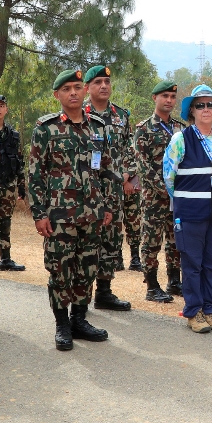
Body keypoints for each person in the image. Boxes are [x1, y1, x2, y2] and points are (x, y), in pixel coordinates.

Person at [29, 69, 114, 351]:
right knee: (60, 270)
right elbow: (35, 175)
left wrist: (109, 206)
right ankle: (62, 324)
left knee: (87, 269)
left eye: (78, 87)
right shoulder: (45, 128)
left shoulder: (99, 126)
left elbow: (107, 170)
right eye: (67, 89)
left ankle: (80, 319)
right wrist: (39, 213)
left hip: (92, 214)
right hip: (59, 216)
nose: (74, 92)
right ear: (57, 95)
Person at [164, 84, 212, 334]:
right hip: (191, 213)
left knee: (211, 262)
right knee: (192, 262)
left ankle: (210, 310)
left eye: (211, 104)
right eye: (200, 105)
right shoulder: (180, 139)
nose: (206, 109)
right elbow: (169, 177)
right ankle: (193, 312)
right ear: (191, 111)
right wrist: (185, 202)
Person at [83, 64, 132, 312]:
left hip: (114, 191)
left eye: (107, 82)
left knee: (111, 241)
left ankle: (104, 291)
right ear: (88, 88)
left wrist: (130, 179)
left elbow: (129, 151)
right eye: (98, 82)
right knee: (87, 241)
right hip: (86, 192)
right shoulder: (78, 115)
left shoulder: (121, 116)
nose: (104, 86)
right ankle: (82, 296)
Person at [133, 80, 184, 302]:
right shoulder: (143, 129)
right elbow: (142, 166)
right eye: (165, 96)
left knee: (176, 241)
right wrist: (165, 189)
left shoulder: (180, 129)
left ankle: (174, 282)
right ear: (155, 98)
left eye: (172, 97)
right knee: (151, 241)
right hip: (154, 197)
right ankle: (152, 286)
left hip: (178, 197)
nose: (169, 100)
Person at [0, 94, 27, 273]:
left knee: (5, 222)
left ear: (6, 109)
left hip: (8, 184)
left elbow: (19, 160)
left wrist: (22, 185)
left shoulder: (13, 135)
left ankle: (5, 259)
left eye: (2, 105)